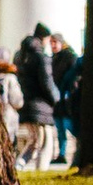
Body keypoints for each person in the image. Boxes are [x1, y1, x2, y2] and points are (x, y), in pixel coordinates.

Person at [14, 23, 57, 169]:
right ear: (44, 38)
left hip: (26, 104)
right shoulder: (40, 57)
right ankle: (41, 169)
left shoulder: (20, 56)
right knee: (45, 142)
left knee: (34, 141)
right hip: (40, 105)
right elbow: (47, 82)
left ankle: (18, 165)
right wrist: (56, 99)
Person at [50, 36, 80, 165]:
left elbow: (72, 78)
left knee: (69, 126)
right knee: (60, 128)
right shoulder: (53, 59)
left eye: (55, 42)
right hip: (58, 98)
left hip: (66, 98)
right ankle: (61, 153)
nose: (53, 45)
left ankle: (78, 149)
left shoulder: (69, 57)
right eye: (51, 43)